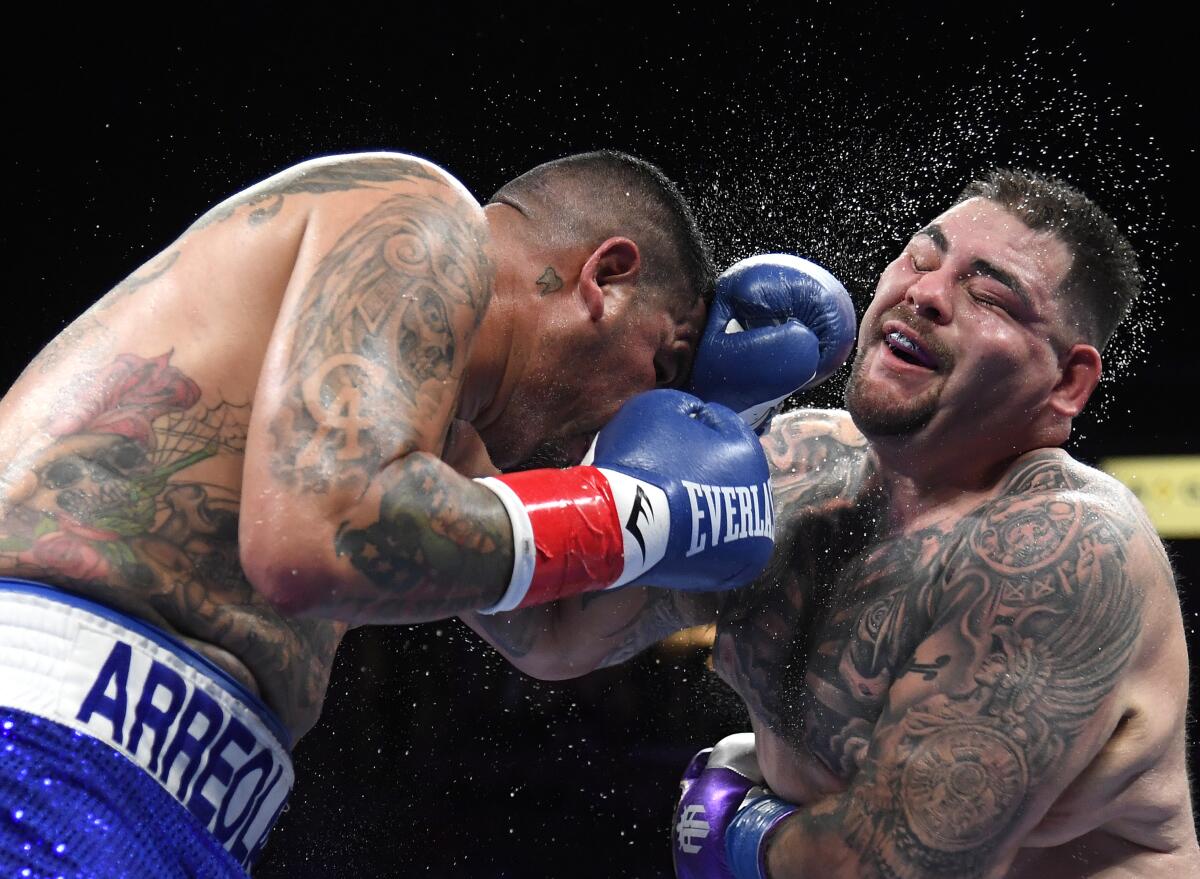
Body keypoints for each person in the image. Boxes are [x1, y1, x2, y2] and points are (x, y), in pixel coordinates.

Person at [0, 147, 856, 876]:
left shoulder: (433, 444)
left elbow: (554, 634)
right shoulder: (415, 217)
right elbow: (318, 533)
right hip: (37, 745)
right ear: (607, 277)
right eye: (659, 373)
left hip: (171, 808)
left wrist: (721, 433)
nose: (626, 428)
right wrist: (635, 512)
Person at [469, 169, 1200, 878]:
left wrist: (733, 828)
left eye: (990, 296)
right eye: (921, 257)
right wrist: (441, 421)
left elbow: (886, 866)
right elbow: (556, 633)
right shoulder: (792, 465)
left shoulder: (1059, 549)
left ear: (1067, 382)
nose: (928, 294)